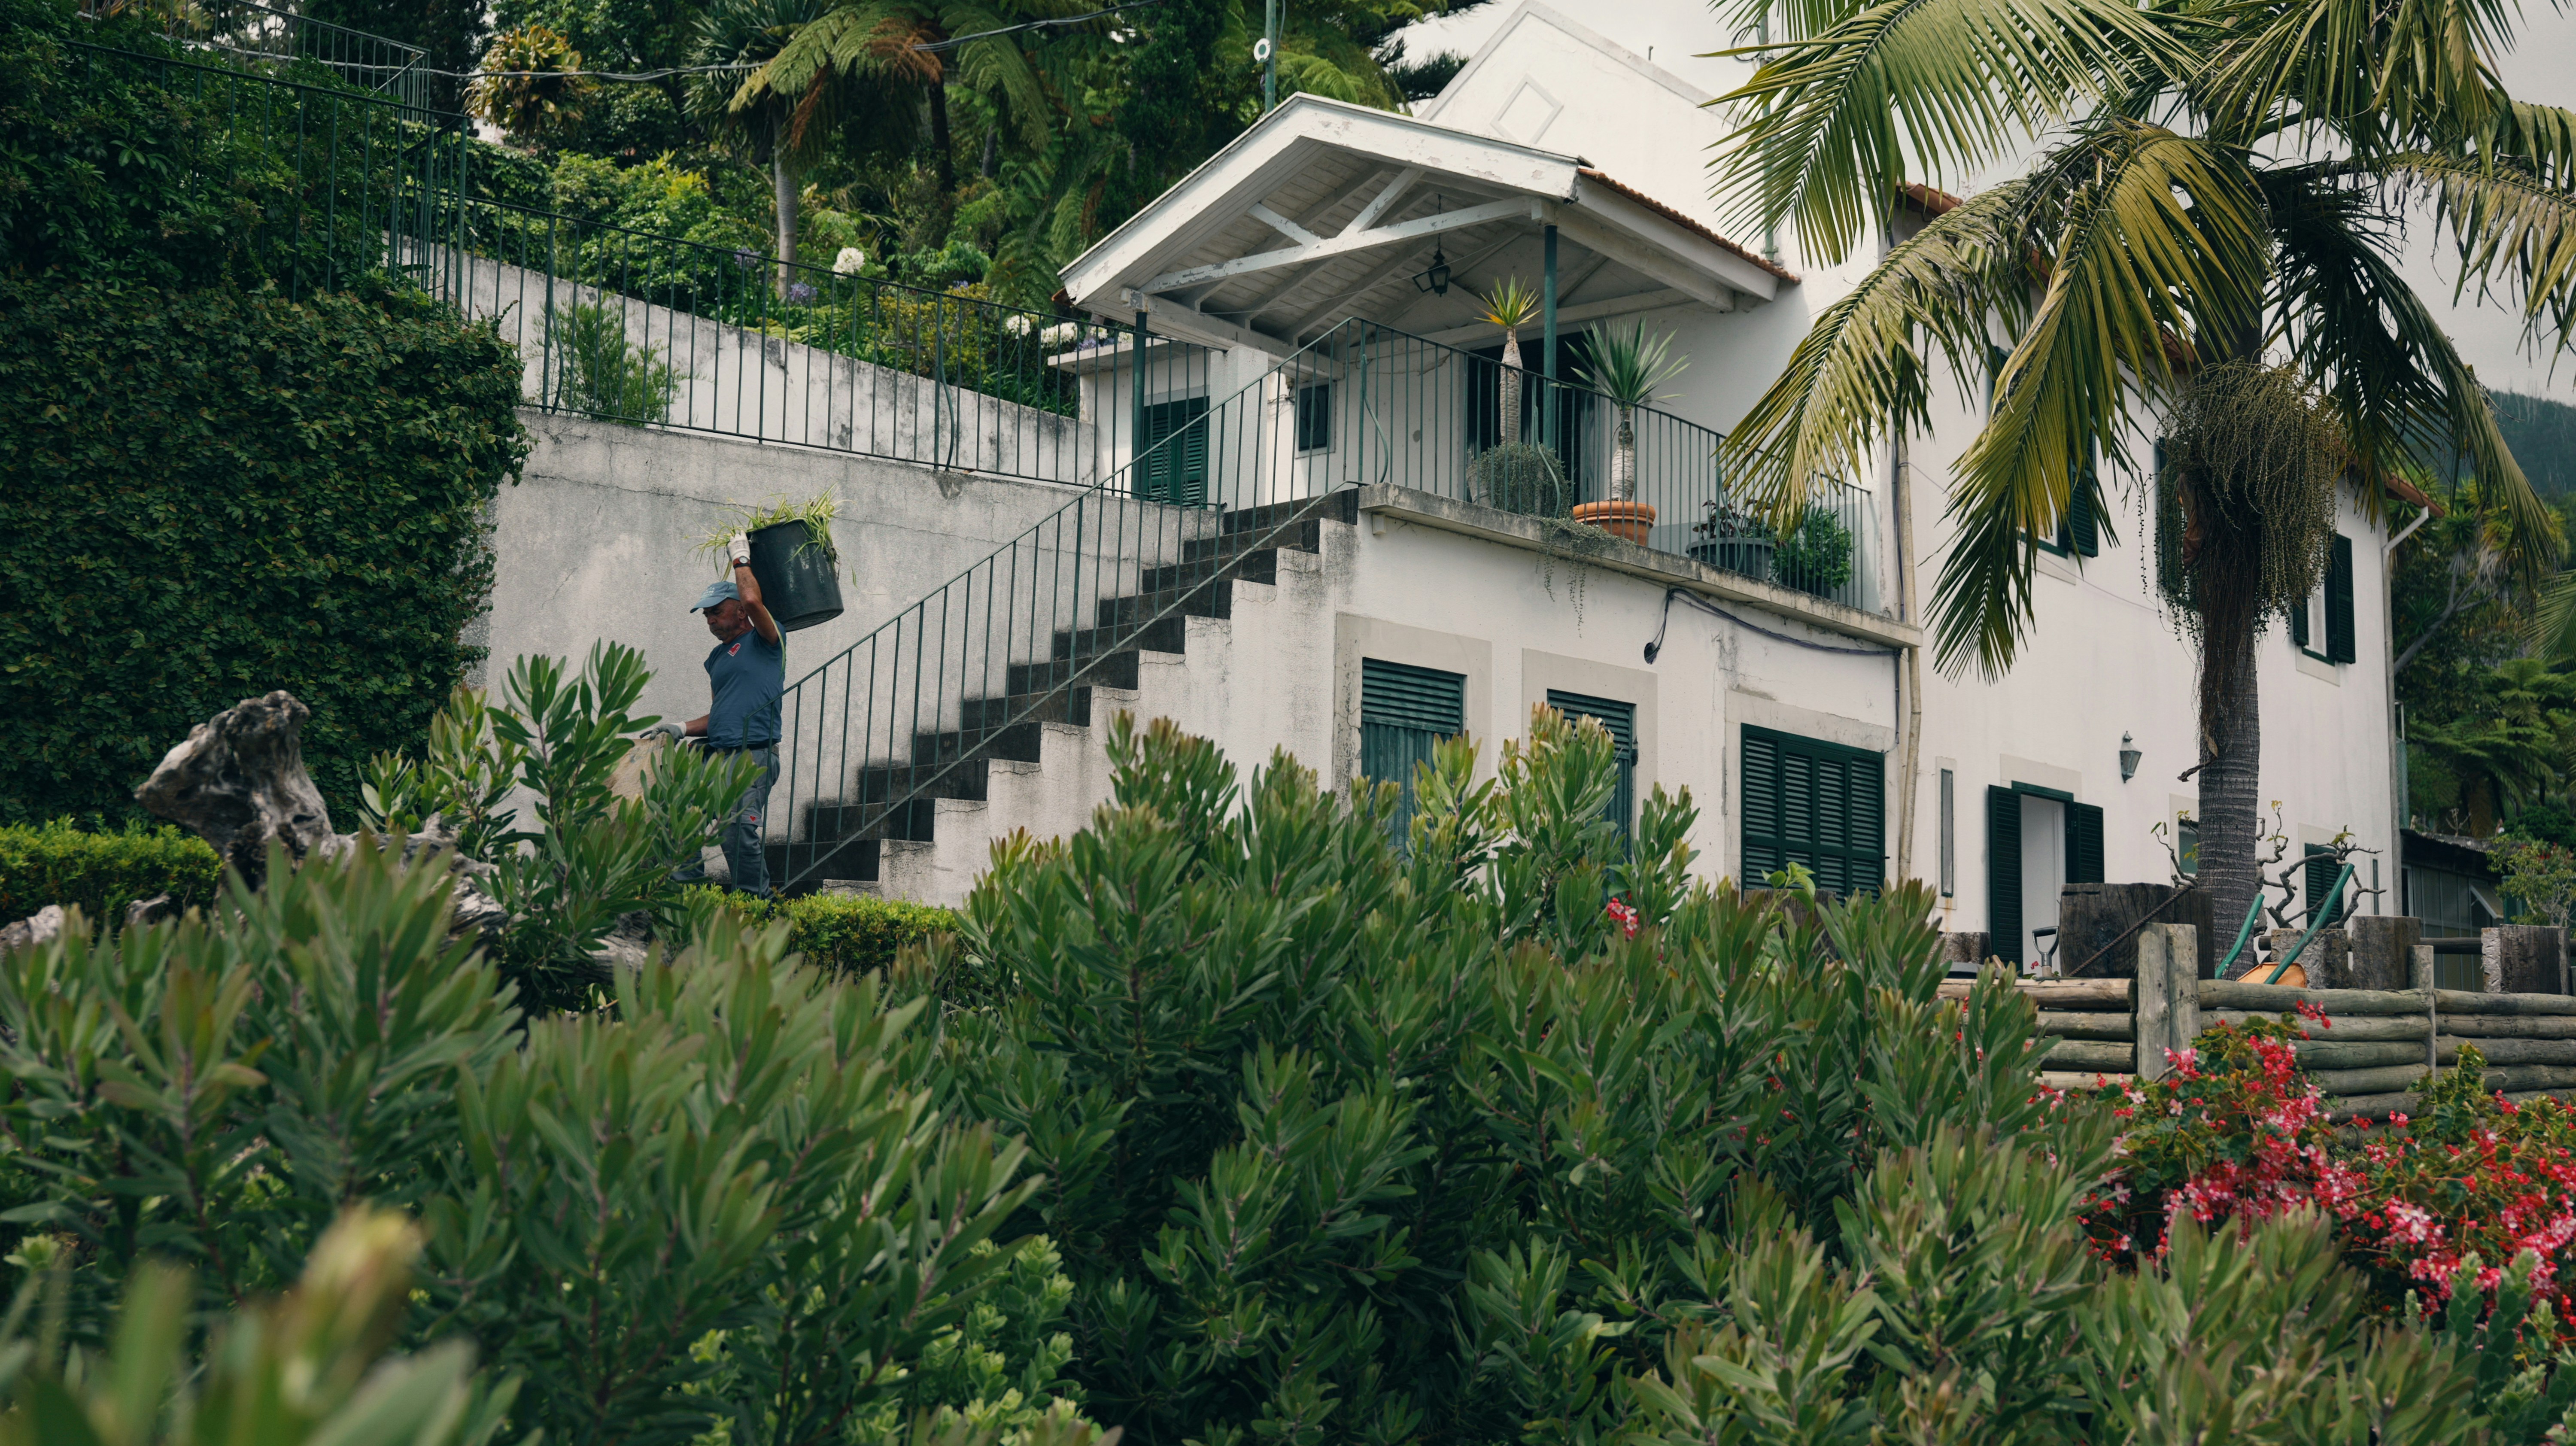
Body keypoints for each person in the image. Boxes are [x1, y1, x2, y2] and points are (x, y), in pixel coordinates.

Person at [649, 531, 784, 896]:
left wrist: (741, 557)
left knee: (736, 829)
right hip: (717, 755)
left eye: (716, 611)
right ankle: (692, 897)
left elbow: (755, 600)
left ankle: (759, 905)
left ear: (739, 611)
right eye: (706, 614)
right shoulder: (716, 658)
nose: (709, 619)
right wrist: (680, 728)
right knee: (677, 817)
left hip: (753, 755)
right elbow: (720, 714)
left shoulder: (767, 641)